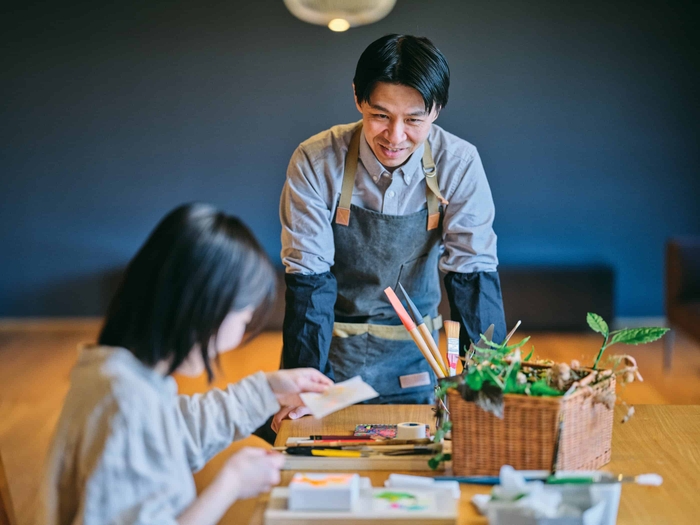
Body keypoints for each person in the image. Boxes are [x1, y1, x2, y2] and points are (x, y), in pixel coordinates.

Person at [270, 34, 506, 434]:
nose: (395, 137)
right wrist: (305, 388)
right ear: (358, 99)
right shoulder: (316, 160)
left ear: (437, 111)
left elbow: (473, 278)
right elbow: (309, 284)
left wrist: (487, 385)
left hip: (418, 355)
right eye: (380, 115)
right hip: (330, 351)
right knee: (312, 457)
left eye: (414, 120)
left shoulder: (459, 163)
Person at [40, 203, 333, 525]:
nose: (238, 336)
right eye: (244, 318)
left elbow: (172, 434)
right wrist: (230, 483)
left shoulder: (116, 373)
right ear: (208, 309)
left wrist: (268, 390)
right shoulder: (126, 402)